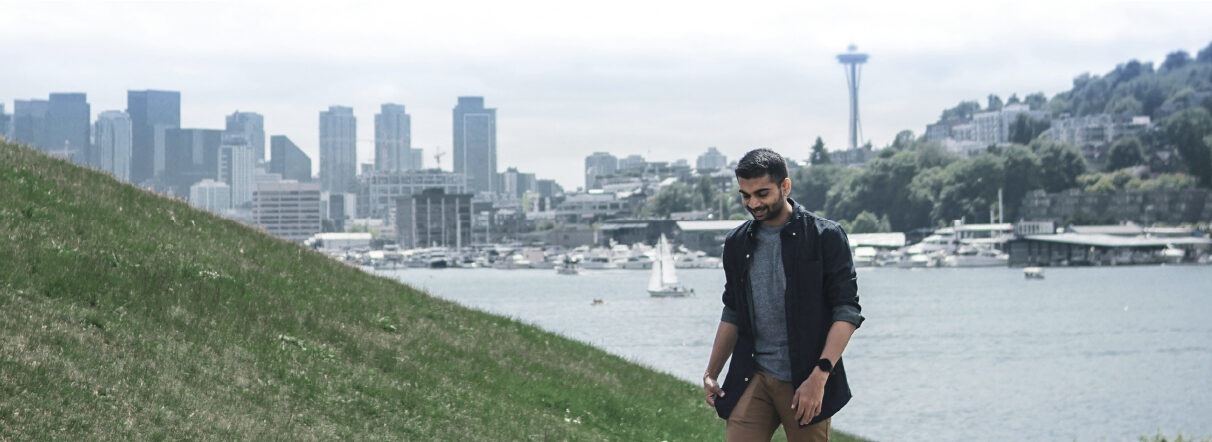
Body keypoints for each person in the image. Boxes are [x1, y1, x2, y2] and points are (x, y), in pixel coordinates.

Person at [702, 148, 864, 442]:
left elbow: (846, 311)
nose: (753, 203)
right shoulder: (736, 243)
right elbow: (733, 311)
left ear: (785, 187)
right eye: (745, 195)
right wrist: (711, 372)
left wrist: (820, 376)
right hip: (753, 376)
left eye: (762, 194)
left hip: (807, 379)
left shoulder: (825, 236)